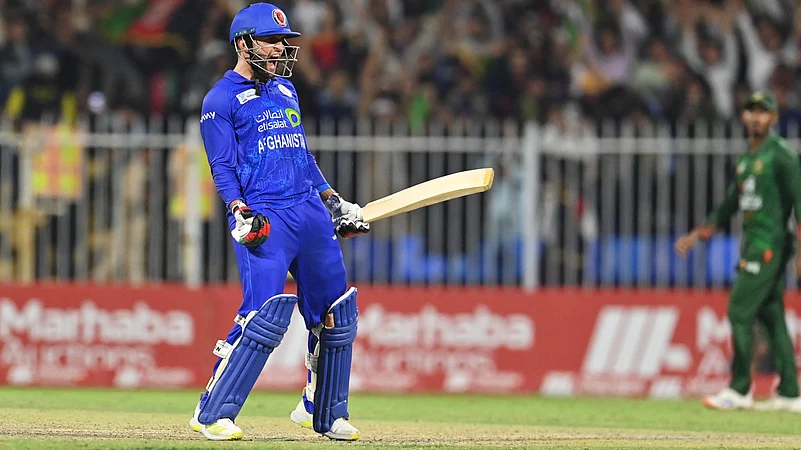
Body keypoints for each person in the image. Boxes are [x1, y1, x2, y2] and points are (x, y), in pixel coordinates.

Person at [188, 3, 369, 441]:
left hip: (307, 209)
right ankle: (211, 413)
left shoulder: (287, 90)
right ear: (243, 43)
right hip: (265, 213)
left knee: (336, 312)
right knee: (264, 315)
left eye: (284, 41)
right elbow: (222, 166)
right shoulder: (220, 99)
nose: (281, 48)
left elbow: (301, 153)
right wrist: (237, 209)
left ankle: (322, 411)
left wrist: (332, 201)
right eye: (271, 41)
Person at [675, 91, 801, 412]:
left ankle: (739, 388)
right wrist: (697, 234)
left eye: (764, 112)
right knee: (772, 317)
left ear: (774, 118)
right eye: (752, 111)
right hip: (755, 244)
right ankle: (789, 392)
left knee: (739, 311)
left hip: (769, 246)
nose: (757, 117)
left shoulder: (782, 155)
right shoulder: (746, 159)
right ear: (744, 116)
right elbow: (730, 204)